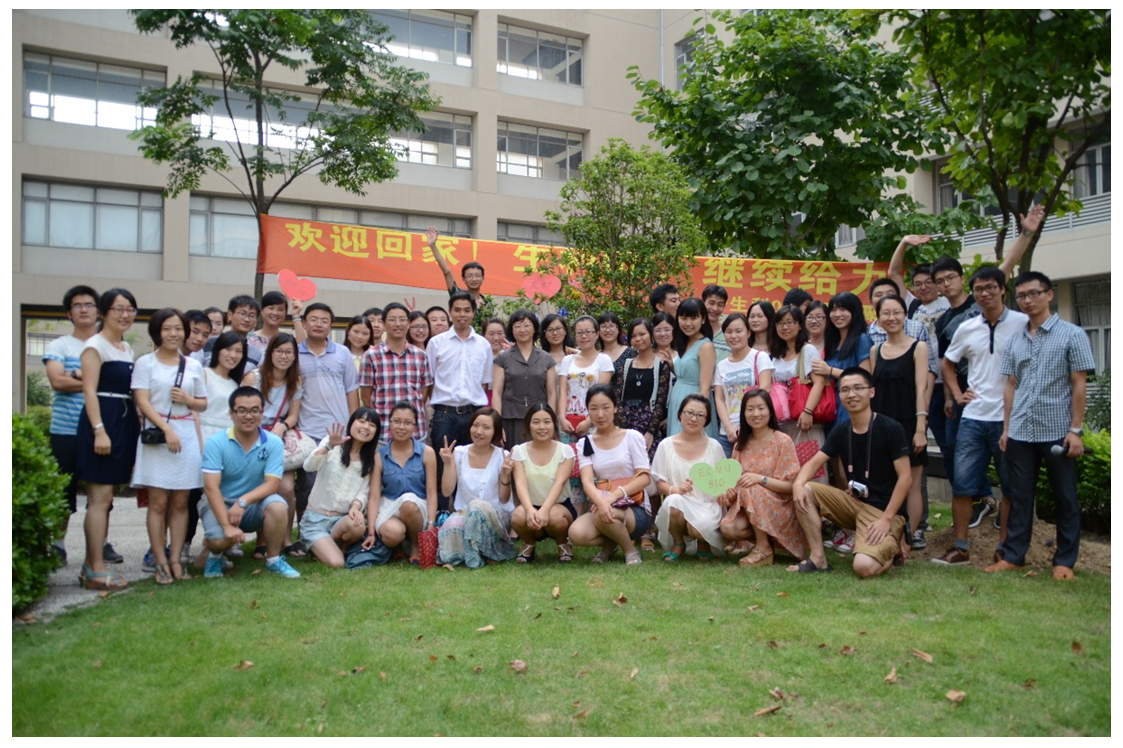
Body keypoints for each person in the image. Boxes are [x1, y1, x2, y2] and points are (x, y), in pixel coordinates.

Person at [932, 205, 1044, 528]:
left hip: (1008, 406)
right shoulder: (945, 321)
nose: (945, 284)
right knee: (956, 455)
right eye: (940, 281)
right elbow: (947, 362)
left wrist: (1026, 234)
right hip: (970, 402)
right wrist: (953, 396)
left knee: (1010, 473)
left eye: (950, 278)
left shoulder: (983, 303)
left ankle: (1008, 531)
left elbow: (1004, 267)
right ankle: (979, 508)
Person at [990, 272, 1095, 580]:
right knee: (1019, 496)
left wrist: (1075, 430)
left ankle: (1064, 562)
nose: (1028, 300)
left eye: (1034, 293)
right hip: (1020, 431)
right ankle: (1014, 556)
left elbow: (1079, 384)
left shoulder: (1072, 334)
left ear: (1049, 295)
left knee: (1065, 497)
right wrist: (1006, 429)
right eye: (1021, 296)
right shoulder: (1015, 339)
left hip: (1058, 431)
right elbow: (1011, 385)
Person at [932, 266, 1031, 567]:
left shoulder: (1022, 323)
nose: (985, 293)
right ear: (973, 293)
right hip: (973, 417)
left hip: (1009, 418)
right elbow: (947, 363)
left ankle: (1005, 547)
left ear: (1003, 290)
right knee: (962, 484)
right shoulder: (967, 327)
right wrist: (956, 393)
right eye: (979, 289)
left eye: (990, 287)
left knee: (1009, 485)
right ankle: (960, 547)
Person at [788, 368, 912, 577]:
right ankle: (818, 558)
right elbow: (814, 462)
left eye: (858, 388)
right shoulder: (841, 430)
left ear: (871, 392)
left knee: (863, 567)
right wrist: (798, 484)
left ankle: (892, 547)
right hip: (852, 503)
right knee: (805, 489)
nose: (851, 394)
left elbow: (906, 478)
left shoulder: (891, 428)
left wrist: (887, 519)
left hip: (882, 511)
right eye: (845, 390)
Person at [131, 309, 208, 584]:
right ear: (157, 332)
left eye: (178, 328)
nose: (173, 334)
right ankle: (160, 561)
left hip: (186, 435)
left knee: (180, 503)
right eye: (167, 328)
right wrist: (166, 430)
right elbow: (142, 402)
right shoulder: (145, 363)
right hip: (157, 436)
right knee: (158, 503)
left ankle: (176, 560)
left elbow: (203, 403)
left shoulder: (193, 365)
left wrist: (188, 399)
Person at [198, 386, 300, 578]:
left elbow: (272, 484)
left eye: (254, 410)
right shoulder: (216, 442)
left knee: (278, 506)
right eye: (242, 411)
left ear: (262, 413)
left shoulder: (273, 442)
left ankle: (273, 559)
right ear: (231, 413)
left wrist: (243, 502)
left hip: (253, 505)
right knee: (220, 541)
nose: (248, 416)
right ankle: (215, 555)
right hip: (220, 502)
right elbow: (211, 488)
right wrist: (227, 526)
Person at [75, 288, 139, 590]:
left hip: (123, 422)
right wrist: (99, 430)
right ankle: (96, 569)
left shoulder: (126, 348)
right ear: (103, 312)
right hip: (103, 422)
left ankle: (91, 565)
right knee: (99, 500)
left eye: (130, 310)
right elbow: (89, 391)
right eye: (118, 309)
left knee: (107, 499)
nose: (125, 315)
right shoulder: (95, 346)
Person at [868, 295, 932, 551]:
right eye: (886, 313)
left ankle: (910, 537)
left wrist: (920, 428)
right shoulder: (875, 351)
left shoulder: (919, 347)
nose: (891, 318)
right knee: (885, 481)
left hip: (908, 423)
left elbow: (921, 389)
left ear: (905, 315)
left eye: (896, 312)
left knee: (912, 483)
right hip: (882, 424)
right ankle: (888, 534)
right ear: (878, 318)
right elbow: (873, 392)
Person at [719, 388, 810, 567]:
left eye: (761, 408)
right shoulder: (740, 445)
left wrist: (760, 479)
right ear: (744, 413)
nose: (756, 414)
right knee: (728, 528)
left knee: (752, 486)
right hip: (751, 506)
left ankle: (763, 548)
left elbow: (791, 486)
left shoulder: (782, 441)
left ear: (770, 411)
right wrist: (726, 494)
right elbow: (736, 485)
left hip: (781, 505)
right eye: (750, 409)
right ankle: (767, 542)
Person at [43, 285, 99, 565]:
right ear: (69, 313)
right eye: (77, 305)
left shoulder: (106, 345)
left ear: (99, 311)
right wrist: (92, 381)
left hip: (99, 429)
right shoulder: (60, 345)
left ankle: (100, 544)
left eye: (89, 304)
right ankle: (58, 544)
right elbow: (57, 381)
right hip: (65, 432)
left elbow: (114, 384)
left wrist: (76, 374)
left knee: (101, 492)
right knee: (63, 491)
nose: (84, 309)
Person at [568, 385, 653, 565]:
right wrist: (601, 502)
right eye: (594, 408)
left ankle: (630, 551)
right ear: (587, 411)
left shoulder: (632, 436)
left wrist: (613, 496)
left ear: (615, 408)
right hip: (604, 504)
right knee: (576, 533)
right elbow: (587, 481)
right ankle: (612, 543)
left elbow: (645, 477)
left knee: (602, 514)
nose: (600, 414)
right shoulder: (585, 443)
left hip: (634, 506)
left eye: (606, 407)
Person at [295, 302, 360, 531]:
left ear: (331, 325)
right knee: (308, 484)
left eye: (324, 320)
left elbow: (352, 390)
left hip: (339, 431)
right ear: (304, 323)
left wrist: (353, 425)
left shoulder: (342, 353)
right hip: (308, 431)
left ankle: (333, 531)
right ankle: (305, 533)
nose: (319, 324)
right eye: (313, 319)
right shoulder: (295, 353)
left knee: (338, 484)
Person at [427, 292, 493, 511]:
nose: (462, 314)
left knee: (470, 467)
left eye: (467, 310)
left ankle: (466, 513)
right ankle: (441, 516)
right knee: (442, 465)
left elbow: (484, 383)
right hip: (444, 415)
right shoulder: (436, 343)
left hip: (473, 414)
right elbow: (430, 380)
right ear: (450, 312)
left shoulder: (483, 345)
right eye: (457, 310)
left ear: (473, 312)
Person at [243, 332, 303, 558]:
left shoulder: (295, 381)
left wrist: (283, 426)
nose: (283, 356)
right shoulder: (254, 378)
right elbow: (242, 408)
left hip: (277, 439)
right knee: (261, 487)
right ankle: (262, 541)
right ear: (270, 353)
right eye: (279, 351)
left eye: (289, 352)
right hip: (252, 437)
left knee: (286, 489)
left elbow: (294, 415)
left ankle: (285, 539)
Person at [299, 408, 380, 567]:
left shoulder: (370, 459)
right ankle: (323, 547)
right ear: (351, 423)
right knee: (337, 563)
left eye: (371, 425)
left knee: (357, 525)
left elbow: (364, 491)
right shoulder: (332, 444)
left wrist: (356, 506)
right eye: (361, 421)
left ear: (376, 432)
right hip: (316, 519)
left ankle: (338, 546)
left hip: (341, 521)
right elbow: (308, 466)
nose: (365, 427)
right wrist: (328, 446)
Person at [437, 408, 516, 568]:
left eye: (486, 428)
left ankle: (475, 557)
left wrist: (505, 475)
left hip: (496, 515)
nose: (479, 431)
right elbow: (446, 491)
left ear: (495, 432)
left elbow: (504, 499)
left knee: (477, 507)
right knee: (452, 526)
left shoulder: (502, 456)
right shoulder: (459, 453)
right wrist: (448, 463)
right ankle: (466, 554)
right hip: (464, 513)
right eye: (475, 425)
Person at [652, 395, 725, 562]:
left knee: (699, 527)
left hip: (707, 505)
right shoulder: (666, 445)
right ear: (680, 414)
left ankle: (703, 543)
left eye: (700, 415)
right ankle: (678, 543)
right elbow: (660, 482)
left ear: (706, 420)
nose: (693, 419)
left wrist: (723, 493)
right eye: (689, 413)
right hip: (680, 502)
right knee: (673, 500)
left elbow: (723, 482)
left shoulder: (715, 447)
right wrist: (676, 489)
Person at [365, 402, 438, 565]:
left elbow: (431, 492)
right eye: (396, 421)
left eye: (407, 423)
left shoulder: (427, 453)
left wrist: (431, 525)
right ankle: (396, 546)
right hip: (389, 505)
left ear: (415, 426)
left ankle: (415, 545)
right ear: (389, 423)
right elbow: (374, 497)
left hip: (417, 506)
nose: (401, 427)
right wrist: (370, 532)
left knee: (408, 503)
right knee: (392, 533)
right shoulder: (379, 456)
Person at [510, 404, 577, 563]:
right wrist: (529, 509)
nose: (542, 427)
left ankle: (562, 543)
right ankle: (529, 543)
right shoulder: (519, 451)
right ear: (528, 425)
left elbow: (560, 482)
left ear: (554, 424)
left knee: (554, 516)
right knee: (518, 516)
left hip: (559, 507)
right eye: (536, 422)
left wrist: (545, 509)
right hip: (530, 505)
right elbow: (520, 482)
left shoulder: (565, 451)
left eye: (547, 422)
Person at [359, 302, 434, 444]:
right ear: (384, 324)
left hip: (415, 432)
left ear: (409, 323)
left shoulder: (421, 355)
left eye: (402, 319)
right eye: (392, 320)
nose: (398, 324)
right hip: (383, 431)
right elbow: (366, 395)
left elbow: (423, 393)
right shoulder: (371, 355)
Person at [493, 309, 556, 449]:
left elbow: (551, 393)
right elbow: (497, 392)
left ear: (534, 328)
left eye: (527, 325)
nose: (522, 330)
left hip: (539, 419)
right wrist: (497, 424)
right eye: (517, 326)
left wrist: (551, 422)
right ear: (511, 330)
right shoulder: (503, 358)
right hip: (510, 418)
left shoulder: (546, 358)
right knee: (512, 457)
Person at [714, 312, 774, 458]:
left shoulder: (760, 357)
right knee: (728, 472)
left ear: (748, 333)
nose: (733, 336)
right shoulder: (721, 365)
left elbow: (765, 390)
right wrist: (728, 427)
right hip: (728, 434)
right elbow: (719, 399)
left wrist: (746, 427)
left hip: (755, 429)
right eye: (729, 332)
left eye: (738, 331)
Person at [611, 318, 671, 458]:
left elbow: (660, 402)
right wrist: (625, 430)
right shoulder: (625, 366)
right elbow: (617, 399)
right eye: (633, 336)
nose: (638, 339)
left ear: (651, 335)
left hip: (649, 425)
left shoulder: (661, 366)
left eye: (642, 334)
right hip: (625, 424)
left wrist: (650, 432)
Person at [811, 291, 872, 429]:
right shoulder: (832, 342)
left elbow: (865, 376)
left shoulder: (862, 340)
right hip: (830, 407)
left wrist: (830, 370)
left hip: (851, 405)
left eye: (843, 309)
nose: (837, 314)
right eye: (833, 310)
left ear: (854, 312)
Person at [770, 305, 828, 448]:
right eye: (780, 323)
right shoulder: (777, 355)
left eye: (790, 322)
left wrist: (808, 412)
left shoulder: (808, 350)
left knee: (809, 461)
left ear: (800, 325)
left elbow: (819, 382)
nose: (785, 327)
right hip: (783, 425)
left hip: (804, 421)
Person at [667, 298, 717, 438]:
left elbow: (705, 389)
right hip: (678, 400)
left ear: (703, 319)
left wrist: (699, 414)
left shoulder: (705, 346)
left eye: (693, 318)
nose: (688, 323)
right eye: (683, 318)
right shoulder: (686, 342)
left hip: (693, 403)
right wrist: (671, 364)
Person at [427, 225, 488, 313]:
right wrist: (433, 246)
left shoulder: (487, 303)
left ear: (483, 278)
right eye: (469, 276)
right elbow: (447, 271)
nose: (474, 279)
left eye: (477, 275)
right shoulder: (458, 295)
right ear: (463, 279)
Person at [200, 295, 264, 370]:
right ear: (230, 315)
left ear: (256, 322)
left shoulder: (256, 354)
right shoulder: (210, 343)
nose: (247, 319)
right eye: (242, 314)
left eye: (252, 316)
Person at [539, 313, 574, 411]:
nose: (555, 333)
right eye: (550, 330)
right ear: (544, 334)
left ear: (565, 331)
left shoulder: (575, 356)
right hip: (548, 406)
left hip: (572, 406)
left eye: (558, 329)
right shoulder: (540, 358)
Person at [702, 284, 731, 362]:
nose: (715, 308)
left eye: (720, 305)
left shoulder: (728, 333)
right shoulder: (695, 331)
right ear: (703, 302)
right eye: (711, 303)